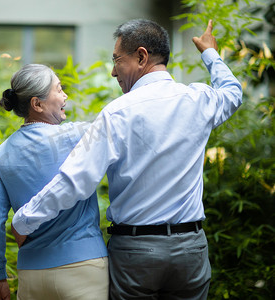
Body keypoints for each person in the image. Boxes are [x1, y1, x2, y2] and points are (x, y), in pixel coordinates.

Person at [12, 19, 242, 299]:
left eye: (116, 60)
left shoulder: (118, 112)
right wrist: (210, 53)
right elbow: (232, 93)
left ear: (141, 57)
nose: (112, 72)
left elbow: (76, 180)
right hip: (191, 251)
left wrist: (24, 221)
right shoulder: (199, 99)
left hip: (136, 254)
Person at [0, 64, 109, 300]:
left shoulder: (3, 152)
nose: (65, 96)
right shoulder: (78, 136)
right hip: (83, 267)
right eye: (59, 89)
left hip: (32, 275)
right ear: (37, 104)